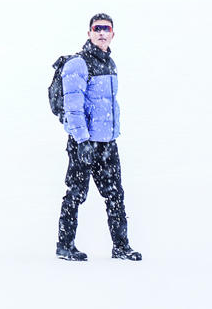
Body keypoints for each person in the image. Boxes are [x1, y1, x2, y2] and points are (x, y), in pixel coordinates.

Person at [56, 13, 142, 262]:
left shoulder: (109, 63)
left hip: (107, 142)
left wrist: (111, 136)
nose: (102, 33)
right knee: (75, 194)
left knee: (116, 195)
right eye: (97, 28)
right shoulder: (78, 64)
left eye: (106, 29)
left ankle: (121, 247)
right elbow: (73, 107)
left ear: (113, 34)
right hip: (84, 142)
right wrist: (82, 141)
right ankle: (65, 245)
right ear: (89, 33)